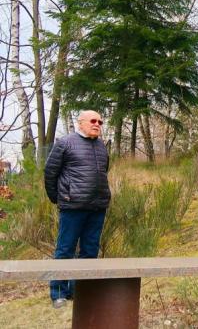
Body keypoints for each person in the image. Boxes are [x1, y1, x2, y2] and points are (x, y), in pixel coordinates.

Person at [44, 110, 111, 308]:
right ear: (80, 123)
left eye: (100, 121)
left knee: (90, 251)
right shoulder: (65, 143)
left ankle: (79, 291)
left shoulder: (101, 146)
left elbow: (104, 171)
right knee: (65, 250)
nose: (97, 124)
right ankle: (58, 293)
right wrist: (58, 198)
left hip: (97, 206)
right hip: (72, 206)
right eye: (93, 120)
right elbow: (50, 173)